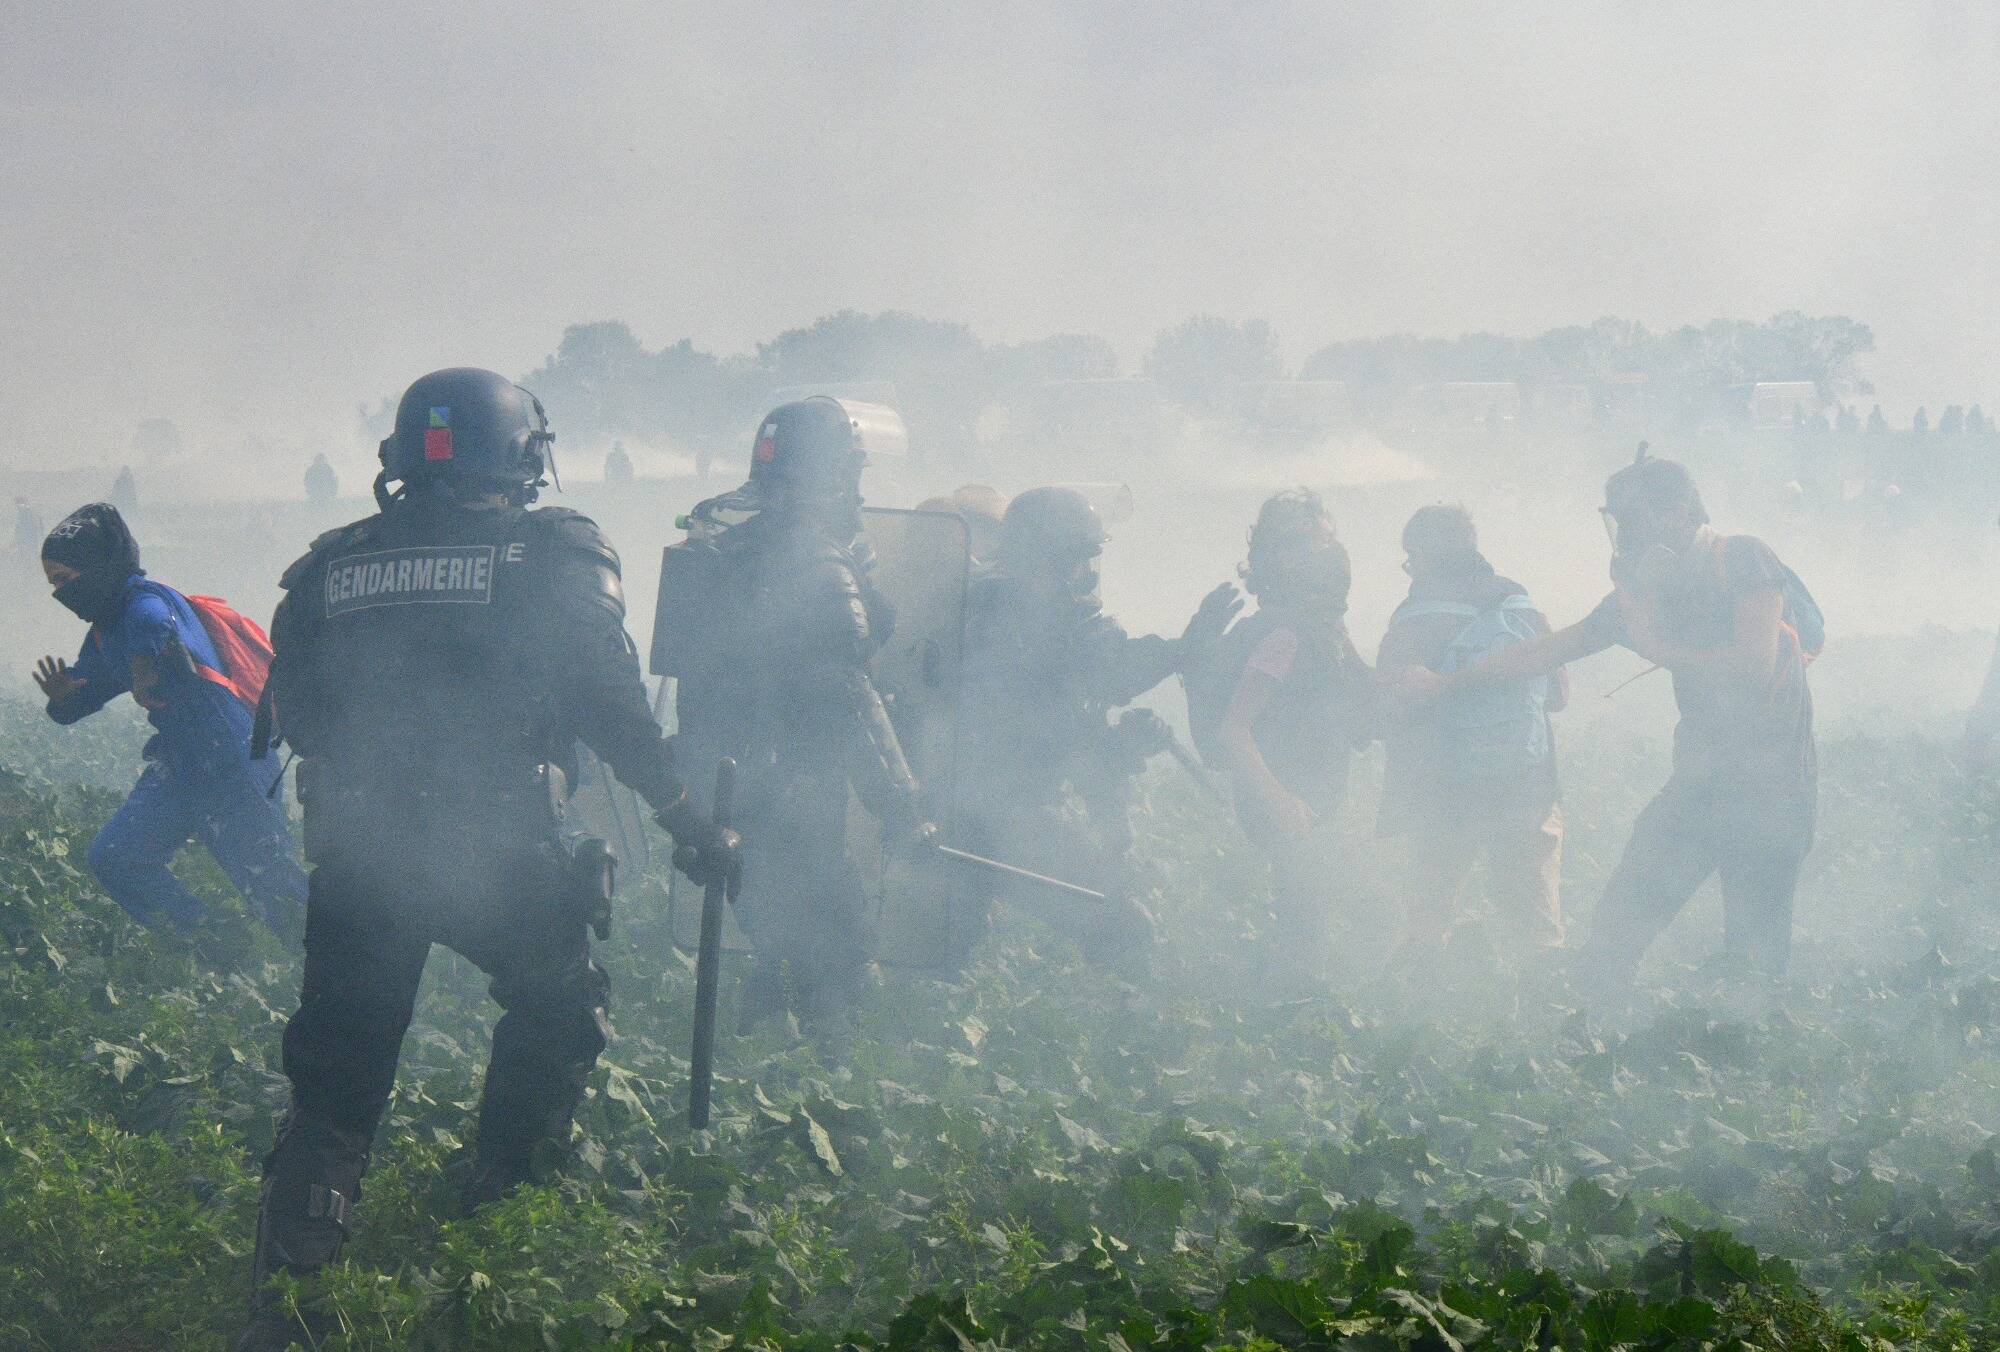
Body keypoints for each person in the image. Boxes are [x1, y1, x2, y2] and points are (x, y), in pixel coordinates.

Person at [236, 368, 735, 1351]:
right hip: (497, 840)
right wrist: (687, 817)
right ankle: (498, 1208)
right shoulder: (552, 555)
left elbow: (298, 711)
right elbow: (611, 701)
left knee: (336, 1082)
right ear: (522, 455)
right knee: (556, 1004)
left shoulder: (331, 567)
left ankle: (286, 1306)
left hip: (362, 849)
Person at [1386, 454, 1816, 997]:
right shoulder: (1647, 594)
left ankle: (1749, 1053)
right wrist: (1450, 683)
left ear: (1679, 512)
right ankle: (1586, 1030)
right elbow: (1547, 649)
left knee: (1754, 952)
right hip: (1700, 784)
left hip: (1775, 786)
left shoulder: (1745, 560)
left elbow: (1754, 664)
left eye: (1634, 519)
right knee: (1622, 916)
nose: (1625, 535)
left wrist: (1659, 647)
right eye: (1619, 521)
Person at [668, 397, 930, 1035]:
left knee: (780, 938)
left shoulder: (725, 548)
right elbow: (847, 694)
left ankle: (767, 1075)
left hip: (726, 791)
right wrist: (901, 809)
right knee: (839, 961)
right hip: (791, 790)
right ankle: (821, 1093)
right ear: (835, 475)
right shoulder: (812, 560)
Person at [947, 486, 1239, 976]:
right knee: (1124, 927)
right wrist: (1185, 648)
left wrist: (1117, 745)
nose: (1084, 577)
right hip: (998, 821)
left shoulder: (992, 610)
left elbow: (1056, 732)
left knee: (954, 959)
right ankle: (1119, 1046)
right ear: (1040, 561)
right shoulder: (1021, 623)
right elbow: (1110, 669)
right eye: (1072, 563)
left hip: (977, 815)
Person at [32, 502, 305, 935]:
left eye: (65, 580)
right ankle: (212, 938)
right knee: (116, 857)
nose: (60, 593)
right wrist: (64, 699)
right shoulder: (105, 631)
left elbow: (155, 628)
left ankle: (331, 966)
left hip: (234, 763)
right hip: (181, 767)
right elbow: (86, 690)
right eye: (54, 584)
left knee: (273, 887)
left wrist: (143, 667)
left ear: (97, 567)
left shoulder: (148, 600)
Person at [1376, 504, 1566, 961]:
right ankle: (1545, 1011)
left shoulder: (1414, 617)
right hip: (1528, 780)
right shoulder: (1519, 604)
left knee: (1431, 905)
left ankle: (1422, 1007)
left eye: (1410, 559)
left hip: (1446, 788)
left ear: (1421, 554)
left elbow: (1389, 706)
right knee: (1534, 915)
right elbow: (1558, 695)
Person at [1204, 489, 1371, 968]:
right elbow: (1234, 731)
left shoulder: (1325, 628)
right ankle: (1291, 1001)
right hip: (1288, 801)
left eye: (1328, 545)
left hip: (1315, 797)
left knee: (1312, 910)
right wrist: (1281, 801)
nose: (1328, 557)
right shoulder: (1283, 634)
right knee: (1305, 920)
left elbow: (1365, 689)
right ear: (1281, 555)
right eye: (1314, 546)